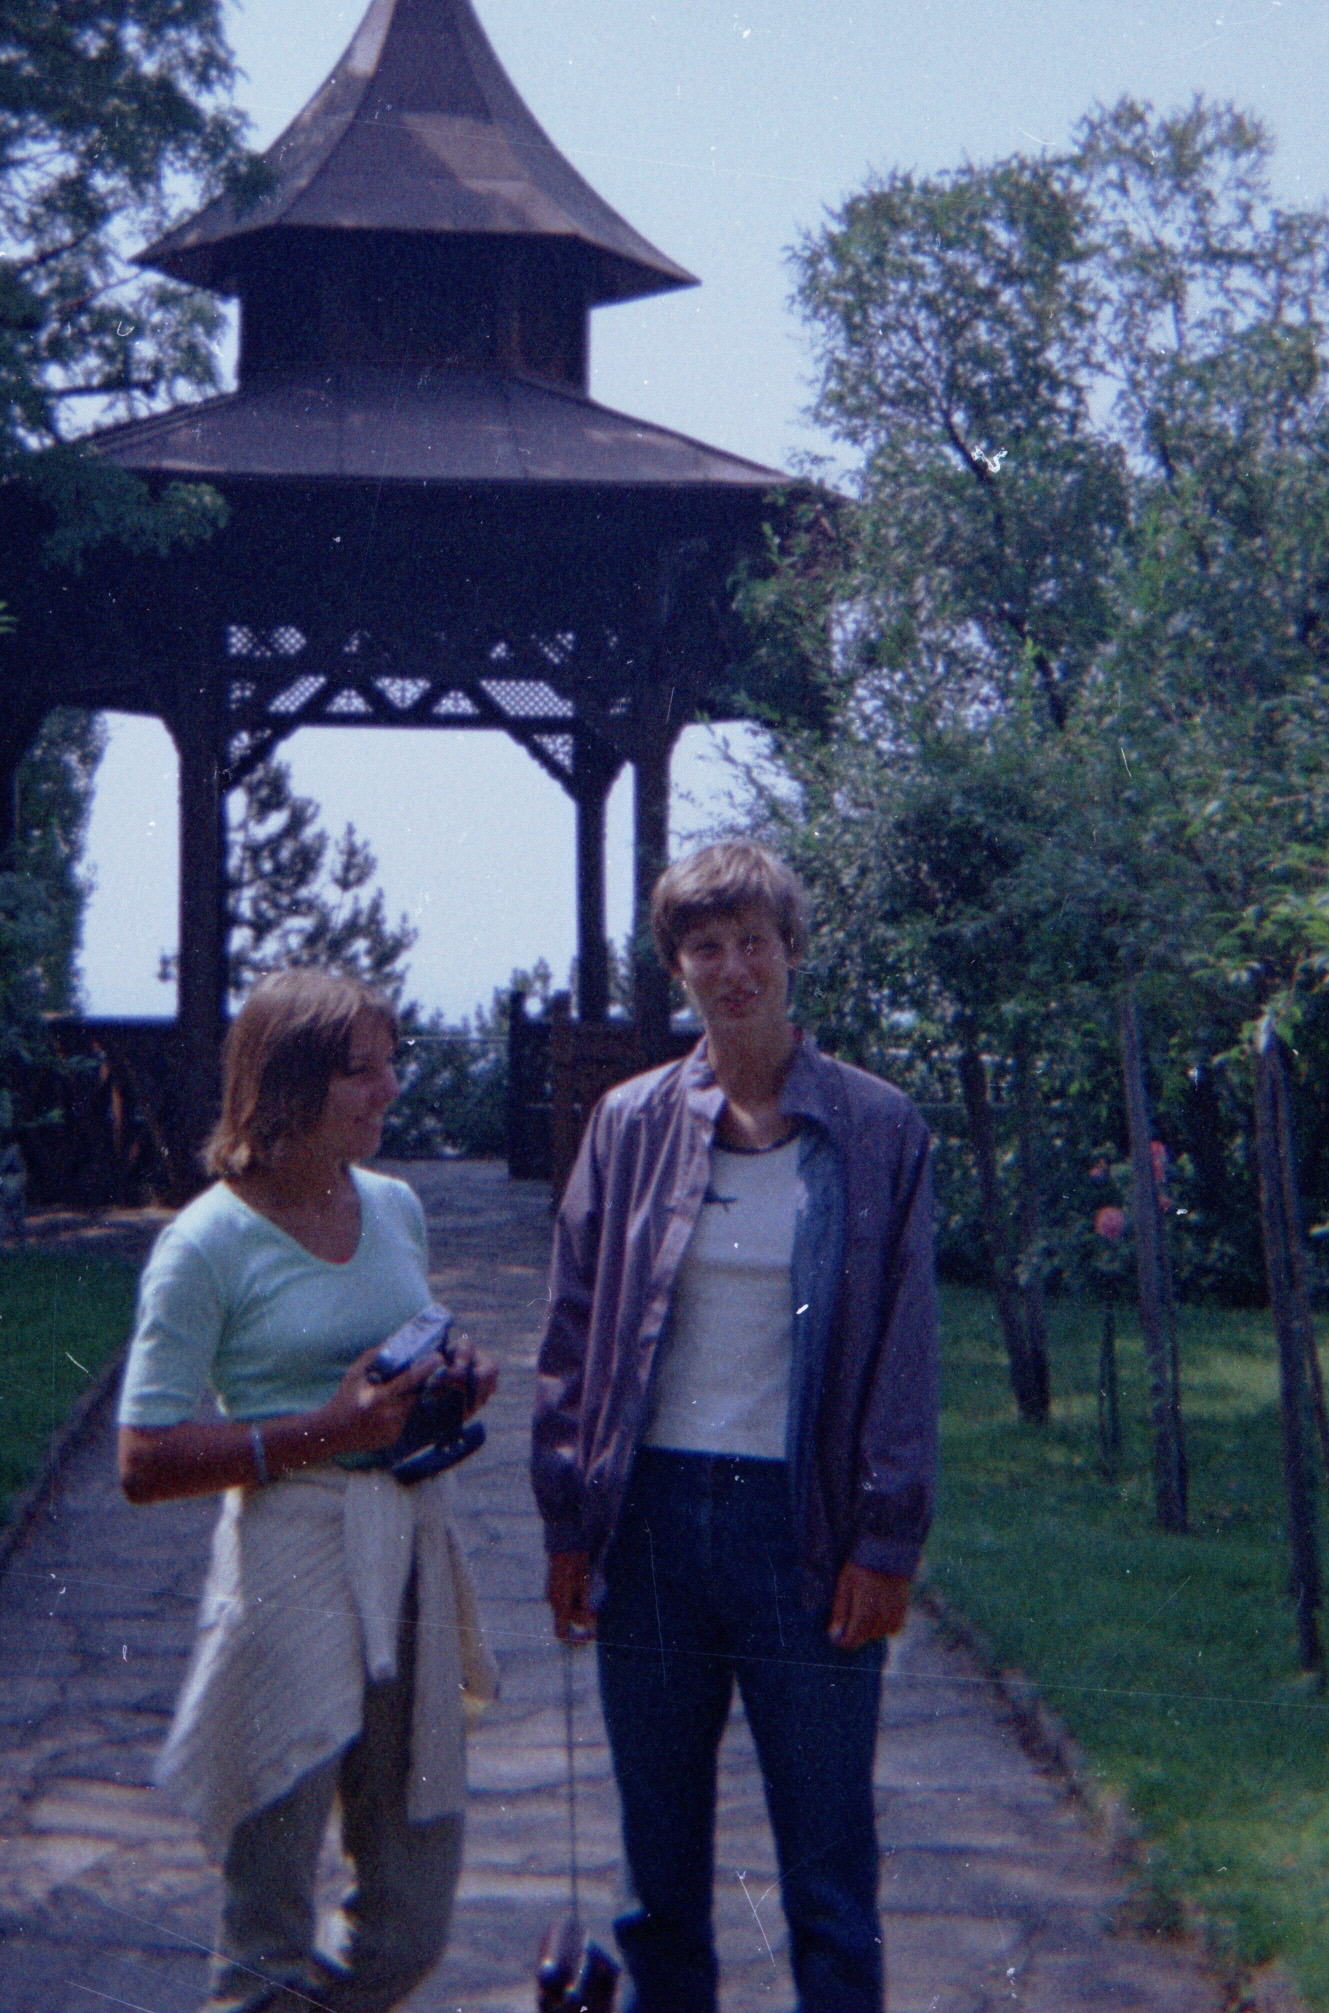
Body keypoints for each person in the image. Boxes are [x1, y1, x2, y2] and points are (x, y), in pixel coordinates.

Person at [530, 841, 937, 2013]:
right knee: (656, 1879)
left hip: (804, 1533)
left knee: (828, 1872)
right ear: (678, 967)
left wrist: (886, 1540)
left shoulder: (878, 1127)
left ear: (791, 949)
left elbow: (906, 1349)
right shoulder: (628, 1124)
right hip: (651, 1525)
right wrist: (569, 1519)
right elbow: (572, 1328)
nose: (733, 967)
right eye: (705, 945)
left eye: (754, 939)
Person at [119, 970, 499, 2013]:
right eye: (361, 1071)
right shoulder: (205, 1243)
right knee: (269, 1919)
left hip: (407, 1553)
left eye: (390, 1064)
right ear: (286, 1087)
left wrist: (447, 1382)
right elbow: (142, 1459)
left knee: (409, 1920)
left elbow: (389, 1366)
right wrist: (332, 1428)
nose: (391, 1089)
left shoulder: (395, 1207)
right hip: (289, 1570)